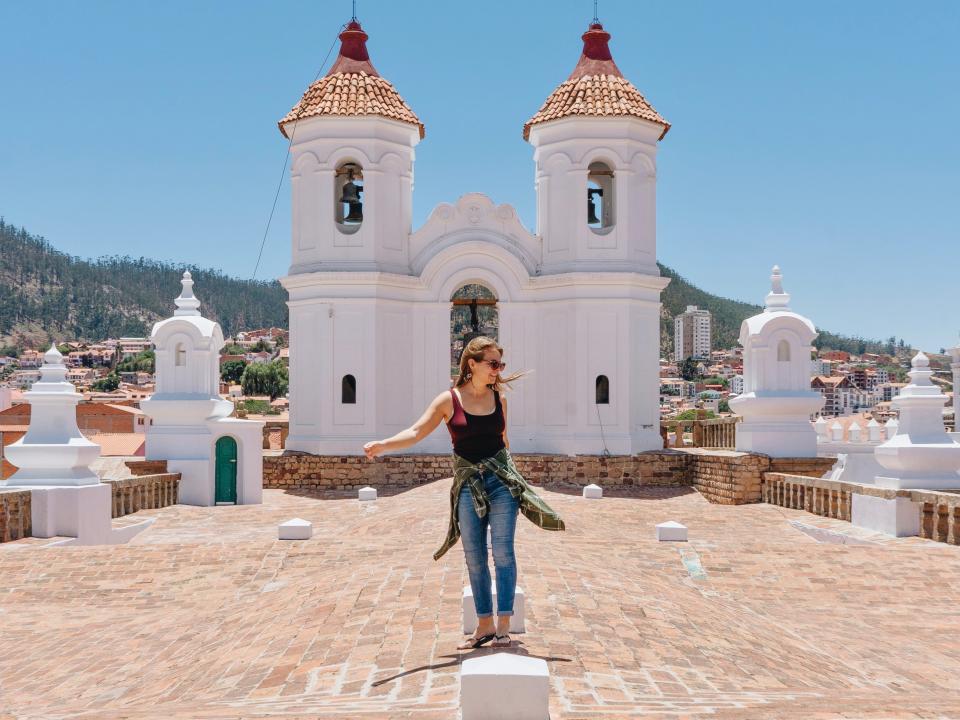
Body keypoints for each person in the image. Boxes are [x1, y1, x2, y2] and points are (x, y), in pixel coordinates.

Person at [363, 336, 565, 649]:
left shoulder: (501, 401)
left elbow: (504, 442)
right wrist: (383, 445)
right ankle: (484, 624)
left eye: (501, 364)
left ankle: (504, 624)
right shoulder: (448, 400)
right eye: (493, 363)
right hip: (469, 485)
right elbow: (416, 432)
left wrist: (516, 480)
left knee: (503, 552)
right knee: (474, 557)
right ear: (472, 364)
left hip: (501, 484)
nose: (498, 370)